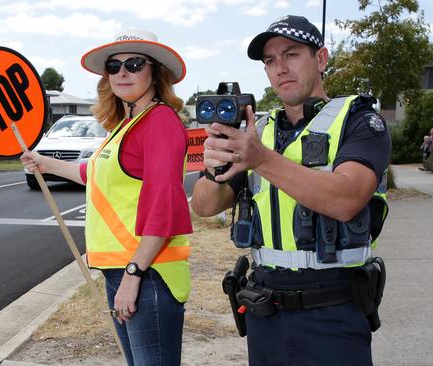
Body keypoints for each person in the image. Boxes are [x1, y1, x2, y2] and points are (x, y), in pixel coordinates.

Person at [191, 15, 391, 365]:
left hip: (334, 312)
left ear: (321, 59)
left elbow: (346, 200)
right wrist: (216, 164)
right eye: (270, 61)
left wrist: (259, 159)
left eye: (292, 54)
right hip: (264, 311)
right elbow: (205, 205)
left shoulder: (359, 120)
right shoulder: (261, 132)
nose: (280, 68)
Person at [21, 30, 191, 366]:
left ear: (154, 72)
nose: (122, 72)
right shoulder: (128, 124)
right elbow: (93, 173)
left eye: (134, 63)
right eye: (114, 66)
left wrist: (133, 275)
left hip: (148, 275)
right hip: (125, 272)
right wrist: (44, 162)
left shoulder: (159, 122)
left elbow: (164, 207)